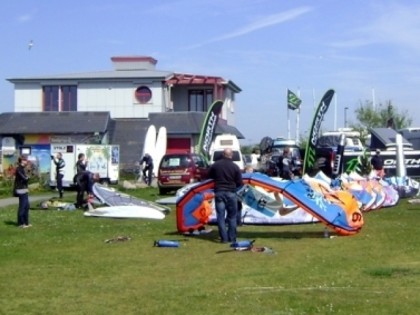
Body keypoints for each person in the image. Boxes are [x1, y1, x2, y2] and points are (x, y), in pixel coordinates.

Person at [208, 148, 243, 243]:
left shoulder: (215, 165)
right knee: (232, 216)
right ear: (231, 155)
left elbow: (209, 176)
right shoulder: (235, 166)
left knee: (220, 216)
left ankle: (224, 238)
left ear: (223, 154)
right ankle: (232, 238)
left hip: (219, 192)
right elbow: (239, 182)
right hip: (231, 193)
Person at [14, 155, 31, 228]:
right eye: (25, 160)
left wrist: (28, 175)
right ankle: (20, 223)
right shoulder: (19, 169)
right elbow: (24, 178)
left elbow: (27, 177)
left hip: (25, 189)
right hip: (20, 189)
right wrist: (27, 177)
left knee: (27, 206)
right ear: (21, 161)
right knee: (22, 206)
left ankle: (26, 223)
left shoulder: (24, 168)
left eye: (26, 160)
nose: (26, 161)